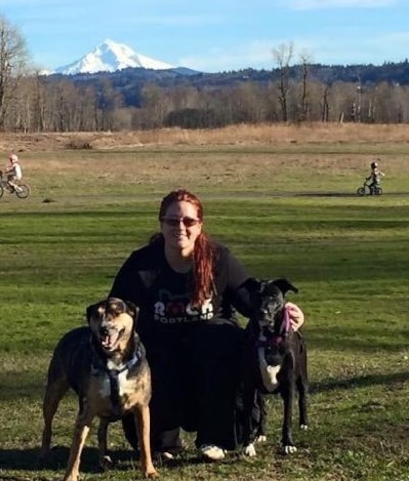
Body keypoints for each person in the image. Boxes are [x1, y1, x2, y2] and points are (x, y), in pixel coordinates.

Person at [110, 188, 304, 462]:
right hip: (161, 355)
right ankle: (164, 442)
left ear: (199, 225)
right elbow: (115, 311)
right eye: (172, 221)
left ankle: (216, 437)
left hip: (212, 353)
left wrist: (287, 313)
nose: (180, 227)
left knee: (223, 338)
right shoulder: (141, 265)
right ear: (161, 223)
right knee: (153, 358)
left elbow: (253, 302)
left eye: (188, 221)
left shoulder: (218, 259)